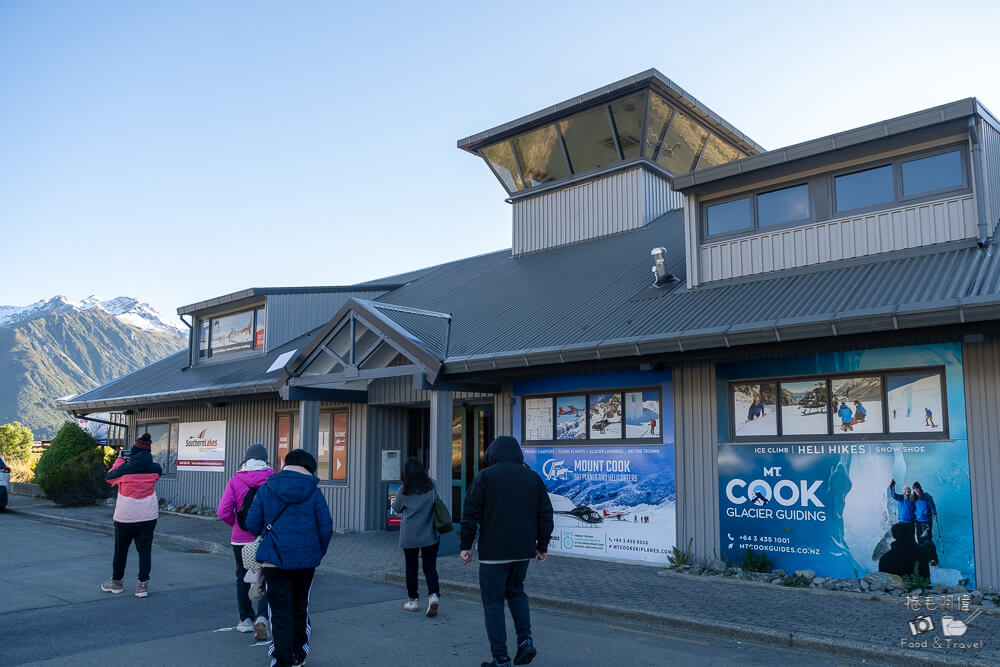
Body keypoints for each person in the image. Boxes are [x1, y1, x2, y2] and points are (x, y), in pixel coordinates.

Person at [460, 436, 554, 667]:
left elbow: (470, 512)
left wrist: (466, 545)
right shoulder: (533, 478)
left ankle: (501, 658)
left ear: (493, 453)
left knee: (493, 603)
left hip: (494, 551)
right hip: (523, 551)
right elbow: (545, 514)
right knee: (517, 593)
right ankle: (525, 642)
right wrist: (542, 545)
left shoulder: (485, 477)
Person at [246, 449, 333, 667]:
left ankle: (281, 659)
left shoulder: (267, 488)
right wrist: (317, 553)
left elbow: (253, 524)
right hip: (306, 561)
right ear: (309, 467)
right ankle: (298, 656)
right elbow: (326, 527)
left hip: (273, 560)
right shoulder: (313, 492)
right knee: (300, 608)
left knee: (279, 611)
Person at [217, 443, 274, 640]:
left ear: (246, 459)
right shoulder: (273, 479)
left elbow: (223, 511)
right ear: (266, 460)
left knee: (243, 577)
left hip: (240, 540)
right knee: (267, 577)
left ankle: (246, 620)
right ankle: (263, 617)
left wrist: (237, 525)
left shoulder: (235, 480)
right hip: (266, 538)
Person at [101, 433, 162, 598]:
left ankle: (116, 583)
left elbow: (109, 477)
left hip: (125, 517)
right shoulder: (156, 469)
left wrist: (120, 459)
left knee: (121, 551)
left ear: (133, 451)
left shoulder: (125, 469)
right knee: (145, 552)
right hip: (148, 517)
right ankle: (142, 586)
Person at [391, 457, 442, 616]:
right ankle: (433, 596)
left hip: (410, 536)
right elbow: (438, 503)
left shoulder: (403, 490)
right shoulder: (431, 486)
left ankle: (413, 601)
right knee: (430, 567)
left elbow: (397, 508)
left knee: (411, 568)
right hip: (430, 534)